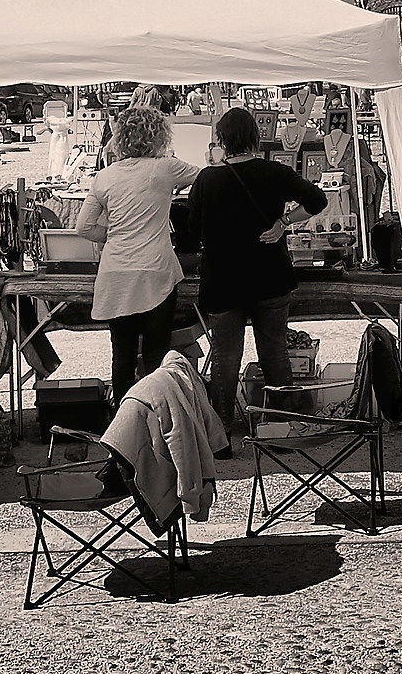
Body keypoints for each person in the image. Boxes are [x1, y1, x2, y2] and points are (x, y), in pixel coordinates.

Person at [192, 107, 329, 436]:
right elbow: (317, 200)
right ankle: (281, 423)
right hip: (270, 275)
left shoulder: (207, 178)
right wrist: (283, 223)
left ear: (222, 140)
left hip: (224, 278)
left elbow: (193, 228)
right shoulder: (274, 172)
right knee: (274, 352)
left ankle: (220, 429)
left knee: (225, 356)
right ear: (255, 137)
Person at [75, 104, 200, 399]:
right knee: (157, 357)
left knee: (123, 356)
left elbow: (83, 227)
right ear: (160, 136)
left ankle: (123, 422)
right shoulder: (166, 167)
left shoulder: (104, 176)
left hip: (116, 273)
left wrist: (113, 234)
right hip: (154, 271)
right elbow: (206, 176)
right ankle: (158, 419)